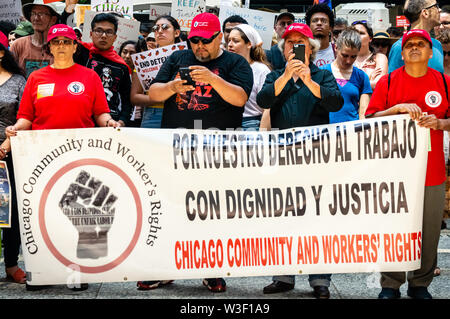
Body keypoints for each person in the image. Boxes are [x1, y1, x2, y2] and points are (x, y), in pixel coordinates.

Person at [5, 24, 119, 291]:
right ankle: (42, 271)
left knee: (77, 213)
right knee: (43, 214)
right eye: (56, 43)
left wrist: (110, 122)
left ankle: (76, 271)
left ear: (75, 46)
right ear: (50, 48)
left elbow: (100, 114)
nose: (61, 47)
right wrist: (16, 129)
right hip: (41, 157)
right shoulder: (36, 78)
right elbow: (26, 118)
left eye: (66, 42)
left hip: (80, 155)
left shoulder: (89, 77)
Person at [147, 13, 253, 293]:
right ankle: (164, 268)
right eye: (194, 40)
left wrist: (212, 79)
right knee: (170, 207)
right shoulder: (177, 58)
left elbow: (240, 98)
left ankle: (212, 269)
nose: (199, 46)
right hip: (177, 146)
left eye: (206, 40)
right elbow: (154, 93)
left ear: (219, 37)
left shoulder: (235, 62)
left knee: (212, 210)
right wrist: (172, 87)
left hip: (218, 148)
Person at [256, 23, 343, 299]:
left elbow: (334, 103)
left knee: (318, 218)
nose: (294, 46)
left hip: (316, 157)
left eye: (299, 42)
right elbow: (264, 99)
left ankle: (320, 280)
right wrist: (286, 77)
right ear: (283, 50)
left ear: (311, 48)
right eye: (288, 43)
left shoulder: (322, 75)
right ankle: (283, 276)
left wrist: (307, 80)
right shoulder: (275, 76)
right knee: (283, 215)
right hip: (283, 156)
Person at [365, 29, 450, 299]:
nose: (414, 48)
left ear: (429, 52)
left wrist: (439, 123)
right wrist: (396, 109)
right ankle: (390, 284)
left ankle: (420, 284)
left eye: (420, 44)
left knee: (429, 228)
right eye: (409, 45)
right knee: (394, 227)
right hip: (395, 171)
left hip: (432, 170)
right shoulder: (388, 82)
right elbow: (370, 120)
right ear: (401, 53)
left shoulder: (445, 82)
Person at [0, 32, 27, 285]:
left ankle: (10, 263)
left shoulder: (19, 81)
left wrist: (6, 144)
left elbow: (26, 116)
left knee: (9, 212)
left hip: (7, 153)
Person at [74, 13, 132, 127]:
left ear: (115, 37)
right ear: (91, 34)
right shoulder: (79, 53)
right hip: (80, 120)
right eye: (99, 31)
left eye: (109, 32)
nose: (104, 36)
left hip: (109, 123)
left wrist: (122, 121)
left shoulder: (121, 66)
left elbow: (127, 100)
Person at [133, 15, 182, 130]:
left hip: (180, 113)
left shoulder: (187, 57)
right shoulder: (143, 60)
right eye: (156, 28)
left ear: (177, 33)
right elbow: (134, 97)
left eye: (165, 27)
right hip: (154, 115)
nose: (160, 31)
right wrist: (159, 96)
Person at [227, 24, 271, 130]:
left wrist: (262, 137)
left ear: (249, 44)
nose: (230, 45)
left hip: (252, 125)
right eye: (228, 40)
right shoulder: (224, 67)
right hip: (226, 124)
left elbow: (267, 108)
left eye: (235, 41)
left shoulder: (261, 70)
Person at [324, 28, 372, 123]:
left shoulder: (361, 77)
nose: (348, 61)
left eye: (353, 56)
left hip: (352, 132)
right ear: (336, 48)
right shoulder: (322, 72)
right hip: (326, 133)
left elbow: (363, 113)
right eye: (345, 55)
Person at [388, 0, 443, 73]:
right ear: (425, 13)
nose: (440, 10)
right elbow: (393, 81)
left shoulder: (437, 44)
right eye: (436, 6)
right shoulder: (400, 47)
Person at [10, 0, 60, 77]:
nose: (36, 18)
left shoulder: (60, 47)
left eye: (41, 14)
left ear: (53, 19)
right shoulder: (18, 45)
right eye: (33, 14)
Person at [352, 21, 389, 90]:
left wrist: (352, 82)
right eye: (354, 33)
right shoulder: (346, 58)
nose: (357, 36)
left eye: (361, 33)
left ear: (370, 38)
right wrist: (369, 78)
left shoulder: (380, 58)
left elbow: (378, 84)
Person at [305, 3, 336, 67]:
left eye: (324, 21)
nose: (319, 23)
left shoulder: (338, 51)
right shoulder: (301, 52)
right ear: (308, 27)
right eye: (314, 21)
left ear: (330, 27)